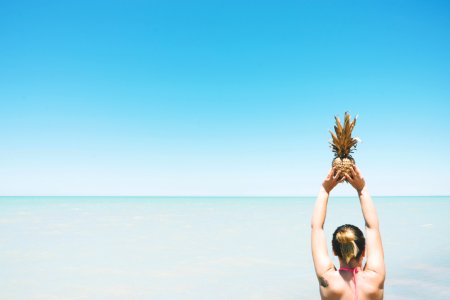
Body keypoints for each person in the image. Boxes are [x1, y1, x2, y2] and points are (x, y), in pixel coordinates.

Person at [311, 165, 385, 299]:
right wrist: (362, 189)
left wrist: (325, 190)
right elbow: (372, 227)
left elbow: (317, 227)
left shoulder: (328, 281)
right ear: (363, 251)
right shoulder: (375, 279)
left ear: (334, 250)